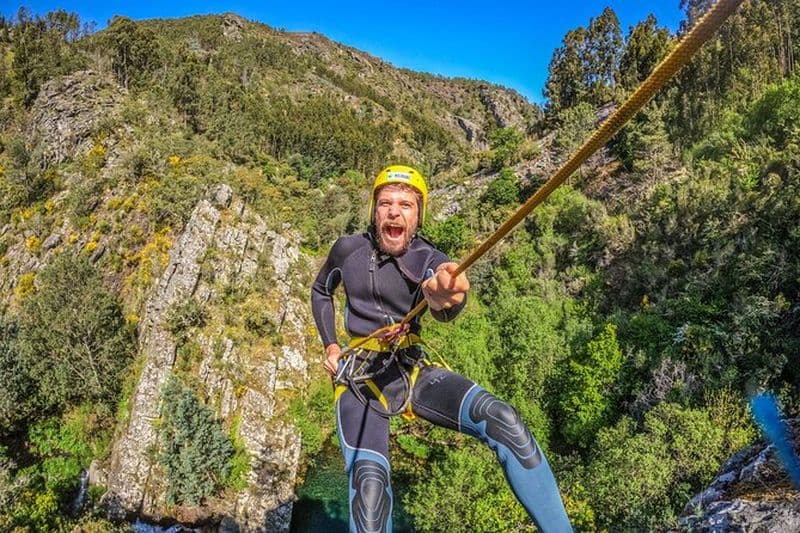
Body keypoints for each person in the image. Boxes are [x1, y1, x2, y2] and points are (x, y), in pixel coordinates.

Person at [311, 165, 573, 532]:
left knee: (504, 420)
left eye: (406, 204)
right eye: (385, 202)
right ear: (374, 210)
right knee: (369, 490)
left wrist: (446, 299)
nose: (393, 211)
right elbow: (321, 290)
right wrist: (332, 347)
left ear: (418, 216)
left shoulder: (428, 258)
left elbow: (444, 293)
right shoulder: (347, 251)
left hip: (410, 372)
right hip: (359, 382)